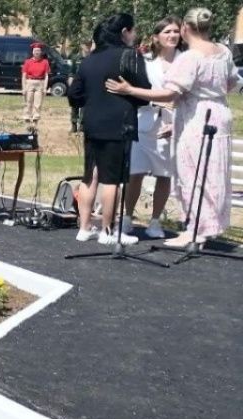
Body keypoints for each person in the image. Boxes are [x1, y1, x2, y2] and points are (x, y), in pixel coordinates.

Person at [107, 7, 240, 247]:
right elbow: (232, 83)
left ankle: (194, 229)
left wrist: (130, 90)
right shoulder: (224, 52)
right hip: (220, 113)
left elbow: (170, 92)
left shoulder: (190, 57)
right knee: (213, 172)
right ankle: (208, 225)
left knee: (191, 172)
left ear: (186, 28)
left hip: (196, 117)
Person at [69, 13, 151, 245]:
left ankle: (84, 227)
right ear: (125, 32)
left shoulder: (89, 59)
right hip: (119, 123)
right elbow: (144, 92)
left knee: (90, 175)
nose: (135, 35)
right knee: (112, 179)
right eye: (133, 31)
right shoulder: (130, 55)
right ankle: (107, 231)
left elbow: (74, 95)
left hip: (93, 122)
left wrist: (94, 98)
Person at [123, 17, 182, 240]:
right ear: (156, 37)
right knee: (135, 173)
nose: (172, 35)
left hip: (172, 125)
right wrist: (155, 102)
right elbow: (134, 91)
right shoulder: (145, 61)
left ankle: (155, 221)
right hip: (144, 122)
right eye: (167, 31)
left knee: (164, 175)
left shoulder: (185, 61)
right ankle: (127, 217)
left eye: (176, 31)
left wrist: (175, 121)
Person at [21, 42, 49, 128]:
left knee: (38, 103)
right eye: (35, 51)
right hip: (29, 82)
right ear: (32, 52)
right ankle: (27, 120)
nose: (37, 52)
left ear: (41, 52)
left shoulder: (45, 62)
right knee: (28, 102)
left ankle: (35, 121)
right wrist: (24, 87)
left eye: (38, 51)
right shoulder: (28, 62)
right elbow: (24, 75)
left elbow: (46, 76)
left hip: (40, 83)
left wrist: (45, 88)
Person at [68, 41, 92, 133]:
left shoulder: (93, 58)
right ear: (82, 46)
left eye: (89, 45)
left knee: (85, 107)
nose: (87, 47)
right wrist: (70, 83)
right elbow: (71, 72)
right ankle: (73, 126)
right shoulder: (76, 58)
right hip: (77, 85)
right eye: (86, 45)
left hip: (88, 85)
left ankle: (82, 126)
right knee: (75, 106)